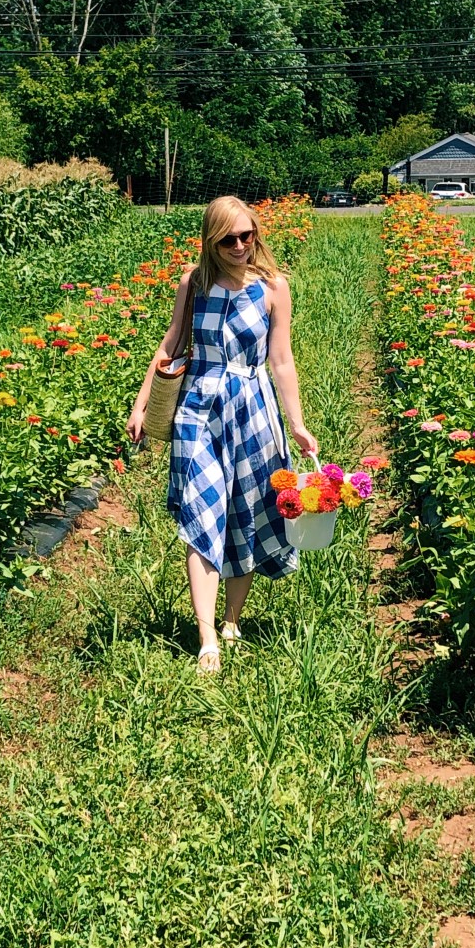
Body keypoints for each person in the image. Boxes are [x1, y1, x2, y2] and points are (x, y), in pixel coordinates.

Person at [127, 195, 318, 672]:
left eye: (246, 235)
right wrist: (142, 401)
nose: (239, 245)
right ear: (211, 240)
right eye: (228, 238)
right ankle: (207, 636)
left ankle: (233, 619)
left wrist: (297, 424)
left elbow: (282, 360)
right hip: (198, 405)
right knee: (201, 509)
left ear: (256, 233)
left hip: (254, 409)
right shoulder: (194, 283)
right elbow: (171, 343)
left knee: (247, 512)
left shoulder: (274, 287)